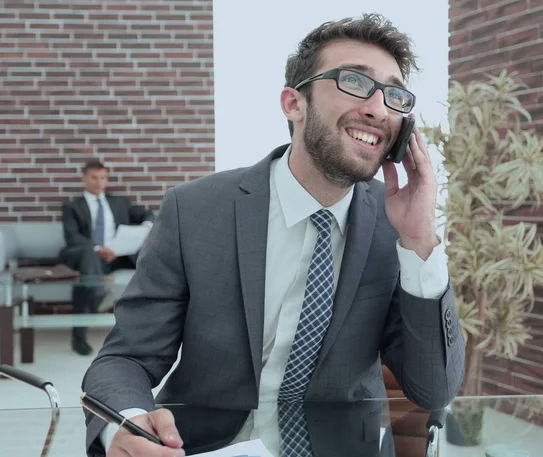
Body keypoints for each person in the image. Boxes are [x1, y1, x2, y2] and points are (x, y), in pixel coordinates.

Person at [82, 13, 465, 457]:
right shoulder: (195, 210)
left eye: (393, 94)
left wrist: (419, 241)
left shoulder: (393, 228)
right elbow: (126, 358)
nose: (378, 109)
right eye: (355, 83)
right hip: (198, 447)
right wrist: (127, 425)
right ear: (293, 104)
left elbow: (433, 390)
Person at [59, 159, 155, 356]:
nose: (99, 182)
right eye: (94, 177)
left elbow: (148, 214)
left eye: (103, 177)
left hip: (119, 256)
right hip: (89, 257)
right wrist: (97, 249)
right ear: (84, 178)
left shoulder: (118, 202)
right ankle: (81, 335)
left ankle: (151, 332)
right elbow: (72, 237)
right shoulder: (72, 207)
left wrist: (146, 227)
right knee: (86, 271)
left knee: (152, 261)